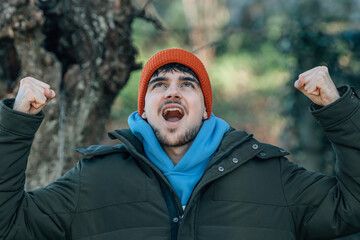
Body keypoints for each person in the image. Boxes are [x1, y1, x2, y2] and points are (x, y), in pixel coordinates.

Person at [0, 48, 359, 240]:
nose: (173, 90)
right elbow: (9, 225)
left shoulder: (270, 175)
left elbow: (352, 208)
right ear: (144, 110)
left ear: (205, 110)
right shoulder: (94, 181)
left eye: (187, 84)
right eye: (159, 85)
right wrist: (16, 123)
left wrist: (340, 111)